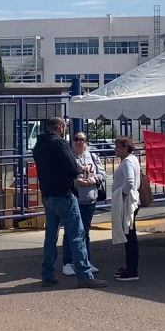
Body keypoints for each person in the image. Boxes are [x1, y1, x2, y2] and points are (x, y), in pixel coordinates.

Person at [32, 118, 107, 289]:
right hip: (64, 194)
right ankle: (85, 275)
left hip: (47, 195)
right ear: (60, 128)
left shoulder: (39, 145)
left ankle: (48, 274)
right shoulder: (59, 143)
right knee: (77, 234)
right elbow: (73, 168)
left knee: (51, 236)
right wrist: (84, 169)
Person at [61, 132, 106, 276]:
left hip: (89, 199)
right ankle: (67, 262)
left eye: (82, 140)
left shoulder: (92, 156)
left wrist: (94, 180)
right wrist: (76, 181)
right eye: (76, 139)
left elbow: (103, 174)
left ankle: (85, 261)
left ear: (86, 142)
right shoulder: (68, 157)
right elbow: (63, 176)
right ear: (72, 142)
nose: (79, 142)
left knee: (85, 232)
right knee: (70, 231)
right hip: (73, 200)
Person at [112, 136, 141, 282]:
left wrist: (121, 194)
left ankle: (132, 270)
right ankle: (130, 267)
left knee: (129, 236)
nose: (116, 149)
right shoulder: (131, 160)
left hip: (127, 201)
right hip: (130, 200)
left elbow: (130, 183)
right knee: (129, 235)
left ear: (126, 148)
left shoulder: (128, 161)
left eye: (118, 147)